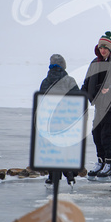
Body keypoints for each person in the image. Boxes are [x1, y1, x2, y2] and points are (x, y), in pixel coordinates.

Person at [81, 32, 111, 181]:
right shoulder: (95, 63)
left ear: (110, 48)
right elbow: (87, 82)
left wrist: (110, 89)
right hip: (99, 104)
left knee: (107, 134)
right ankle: (101, 161)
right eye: (101, 48)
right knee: (96, 133)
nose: (103, 50)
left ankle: (109, 164)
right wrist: (81, 95)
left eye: (105, 48)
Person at [39, 54, 81, 185]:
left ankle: (52, 177)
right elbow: (78, 102)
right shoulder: (69, 81)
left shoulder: (45, 81)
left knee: (52, 148)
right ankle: (70, 175)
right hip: (66, 122)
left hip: (50, 123)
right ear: (64, 66)